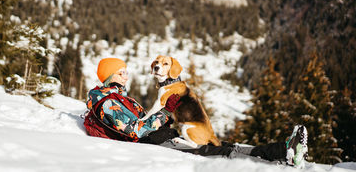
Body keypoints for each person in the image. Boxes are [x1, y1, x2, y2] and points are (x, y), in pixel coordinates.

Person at [83, 58, 308, 168]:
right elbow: (135, 131)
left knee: (229, 146)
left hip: (166, 137)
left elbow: (146, 119)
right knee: (218, 152)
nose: (126, 76)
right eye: (121, 72)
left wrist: (164, 116)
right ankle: (280, 156)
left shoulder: (121, 99)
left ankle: (283, 150)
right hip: (157, 144)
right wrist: (166, 112)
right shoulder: (106, 103)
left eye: (125, 72)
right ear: (108, 76)